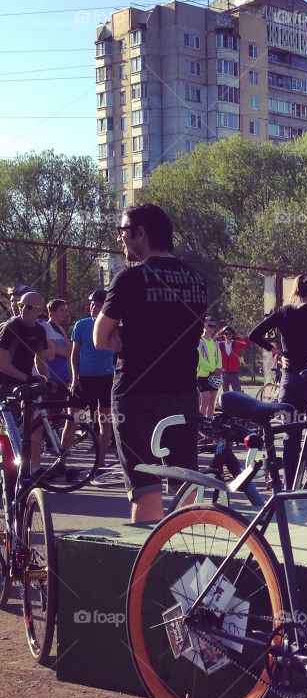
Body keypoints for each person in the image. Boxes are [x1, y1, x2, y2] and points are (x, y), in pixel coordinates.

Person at [94, 203, 208, 523]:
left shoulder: (129, 278)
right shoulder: (196, 279)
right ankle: (189, 561)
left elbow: (100, 338)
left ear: (141, 233)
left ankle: (148, 569)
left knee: (146, 487)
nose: (121, 240)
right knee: (187, 483)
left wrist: (124, 330)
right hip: (183, 392)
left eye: (124, 232)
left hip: (136, 393)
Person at [249, 275, 307, 486]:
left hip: (289, 381)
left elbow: (254, 334)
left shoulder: (283, 312)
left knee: (291, 438)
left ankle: (290, 487)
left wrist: (276, 351)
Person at [0, 290, 55, 470]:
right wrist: (28, 378)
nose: (24, 309)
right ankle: (11, 475)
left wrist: (45, 380)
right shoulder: (11, 327)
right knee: (11, 432)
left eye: (30, 307)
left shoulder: (39, 330)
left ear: (39, 309)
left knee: (36, 426)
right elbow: (3, 363)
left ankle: (35, 470)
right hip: (6, 382)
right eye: (22, 305)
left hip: (25, 382)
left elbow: (40, 359)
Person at [70, 289, 115, 464]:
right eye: (91, 305)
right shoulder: (81, 325)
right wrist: (75, 377)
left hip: (106, 378)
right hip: (84, 379)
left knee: (105, 420)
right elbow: (74, 354)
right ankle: (62, 460)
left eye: (97, 305)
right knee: (73, 418)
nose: (93, 308)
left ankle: (100, 461)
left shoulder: (113, 325)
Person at [41, 298, 73, 399]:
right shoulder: (45, 327)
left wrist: (59, 347)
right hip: (52, 378)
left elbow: (70, 350)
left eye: (66, 310)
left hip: (64, 376)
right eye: (61, 310)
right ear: (51, 311)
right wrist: (61, 349)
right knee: (53, 410)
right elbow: (52, 353)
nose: (65, 313)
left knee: (62, 410)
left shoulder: (61, 329)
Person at [196, 317, 222, 418]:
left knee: (212, 402)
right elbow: (199, 359)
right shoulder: (199, 341)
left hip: (214, 376)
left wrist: (218, 369)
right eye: (209, 325)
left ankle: (209, 424)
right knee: (205, 400)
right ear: (204, 326)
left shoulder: (215, 343)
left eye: (214, 326)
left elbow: (218, 357)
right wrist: (213, 369)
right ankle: (201, 425)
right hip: (203, 375)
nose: (212, 328)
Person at [216, 325, 249, 393]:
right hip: (224, 374)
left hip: (234, 373)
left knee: (238, 395)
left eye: (230, 333)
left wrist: (239, 335)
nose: (228, 335)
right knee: (226, 395)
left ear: (232, 334)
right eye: (226, 334)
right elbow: (212, 341)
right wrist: (219, 332)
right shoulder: (220, 344)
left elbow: (247, 344)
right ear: (223, 335)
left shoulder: (236, 343)